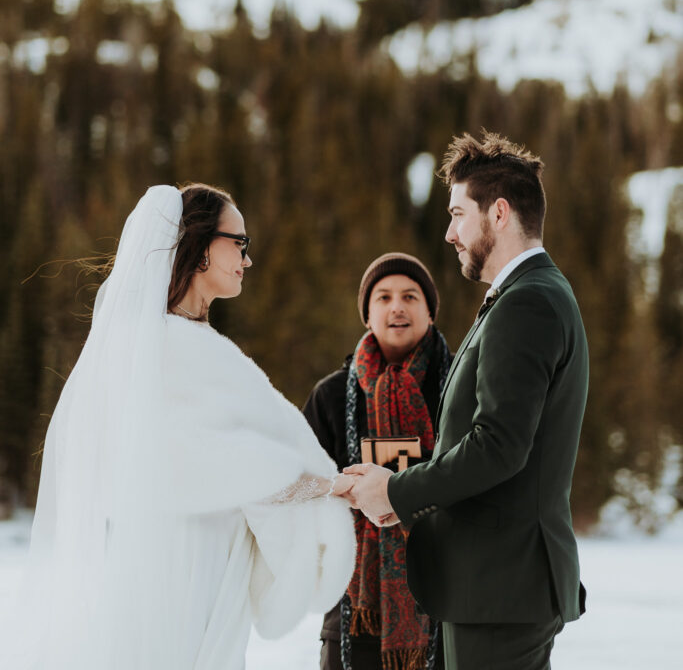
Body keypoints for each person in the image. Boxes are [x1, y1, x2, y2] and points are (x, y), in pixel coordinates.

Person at [1, 183, 355, 670]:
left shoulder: (191, 342)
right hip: (181, 563)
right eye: (240, 243)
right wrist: (327, 486)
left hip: (206, 559)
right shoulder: (162, 348)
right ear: (201, 245)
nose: (247, 260)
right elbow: (218, 464)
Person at [344, 132, 589, 670]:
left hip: (500, 589)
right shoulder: (529, 295)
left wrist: (398, 490)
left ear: (498, 213)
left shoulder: (528, 303)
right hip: (495, 587)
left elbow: (498, 446)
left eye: (458, 214)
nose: (450, 232)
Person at [304, 253, 452, 670]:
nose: (397, 307)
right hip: (355, 603)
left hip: (445, 596)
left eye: (410, 296)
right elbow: (301, 482)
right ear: (368, 314)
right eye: (383, 297)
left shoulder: (460, 385)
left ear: (430, 311)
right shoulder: (331, 396)